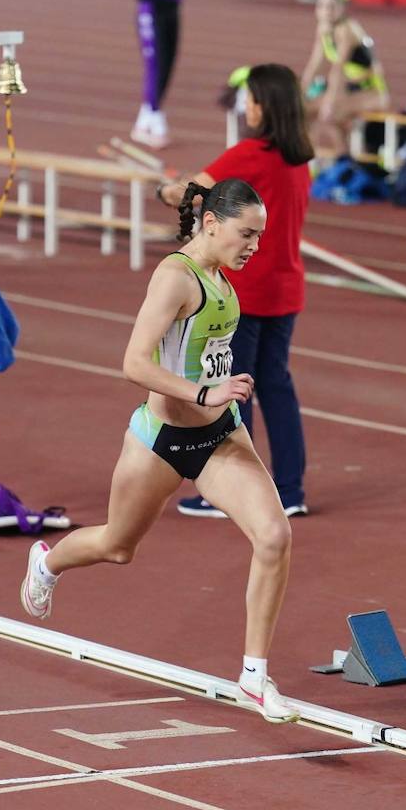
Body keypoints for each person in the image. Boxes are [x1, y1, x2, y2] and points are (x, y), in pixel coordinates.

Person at [19, 179, 299, 724]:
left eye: (261, 237)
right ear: (213, 224)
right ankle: (47, 563)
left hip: (220, 434)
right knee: (117, 546)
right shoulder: (176, 278)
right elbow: (134, 363)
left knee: (274, 536)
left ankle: (254, 677)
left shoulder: (220, 274)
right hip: (162, 441)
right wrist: (203, 391)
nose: (255, 247)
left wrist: (219, 391)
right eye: (248, 234)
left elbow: (204, 351)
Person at [153, 64, 312, 520]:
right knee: (276, 387)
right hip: (286, 288)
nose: (247, 106)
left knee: (227, 391)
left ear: (264, 106)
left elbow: (194, 192)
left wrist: (166, 189)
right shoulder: (300, 158)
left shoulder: (250, 153)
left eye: (252, 99)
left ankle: (227, 490)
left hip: (246, 291)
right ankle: (289, 488)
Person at [300, 0, 388, 159]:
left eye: (331, 6)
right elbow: (314, 64)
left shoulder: (347, 29)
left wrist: (330, 102)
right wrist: (300, 92)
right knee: (302, 111)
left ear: (342, 9)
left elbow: (338, 69)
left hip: (371, 93)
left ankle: (343, 162)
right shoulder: (323, 29)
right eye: (322, 6)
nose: (327, 11)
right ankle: (308, 161)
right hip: (348, 91)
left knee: (329, 117)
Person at [131, 0, 180, 150]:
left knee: (168, 62)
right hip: (151, 4)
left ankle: (144, 121)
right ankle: (155, 114)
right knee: (155, 63)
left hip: (171, 1)